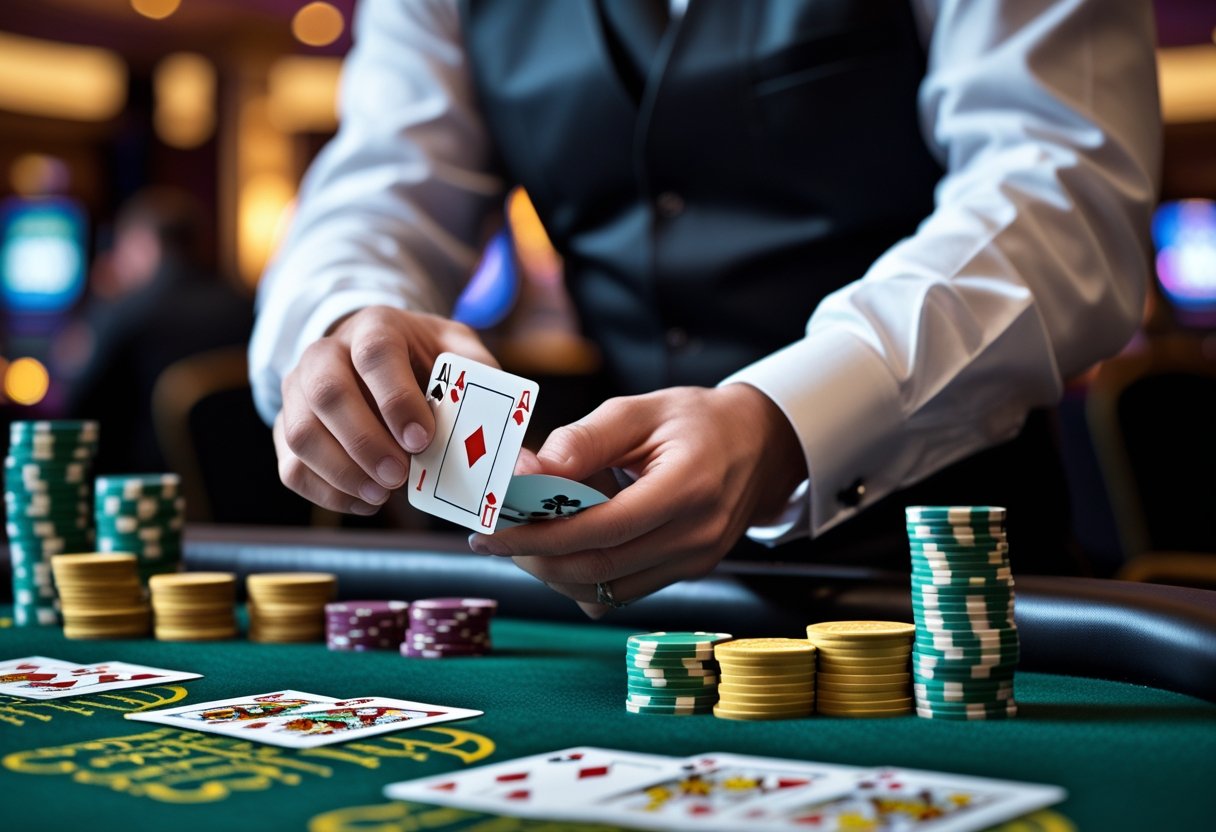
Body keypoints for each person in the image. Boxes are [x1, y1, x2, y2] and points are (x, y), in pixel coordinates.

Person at [250, 0, 1161, 616]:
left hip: (951, 587)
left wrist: (787, 419)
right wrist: (343, 317)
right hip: (628, 613)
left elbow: (1065, 193)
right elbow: (381, 184)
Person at [67, 187, 254, 472]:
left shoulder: (127, 313)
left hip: (149, 493)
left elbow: (76, 410)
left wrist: (98, 309)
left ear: (142, 243)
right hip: (250, 485)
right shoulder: (250, 308)